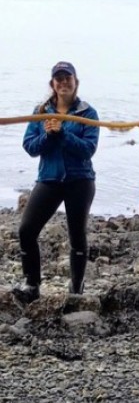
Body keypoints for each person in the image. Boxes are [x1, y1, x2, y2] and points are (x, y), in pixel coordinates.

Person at [14, 61, 100, 303]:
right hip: (49, 179)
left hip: (80, 181)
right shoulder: (41, 111)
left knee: (77, 235)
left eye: (67, 78)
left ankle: (76, 289)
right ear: (52, 83)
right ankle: (32, 285)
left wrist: (63, 133)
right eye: (58, 79)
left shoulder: (87, 113)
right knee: (26, 230)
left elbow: (87, 150)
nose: (63, 83)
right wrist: (48, 135)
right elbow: (30, 147)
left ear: (76, 82)